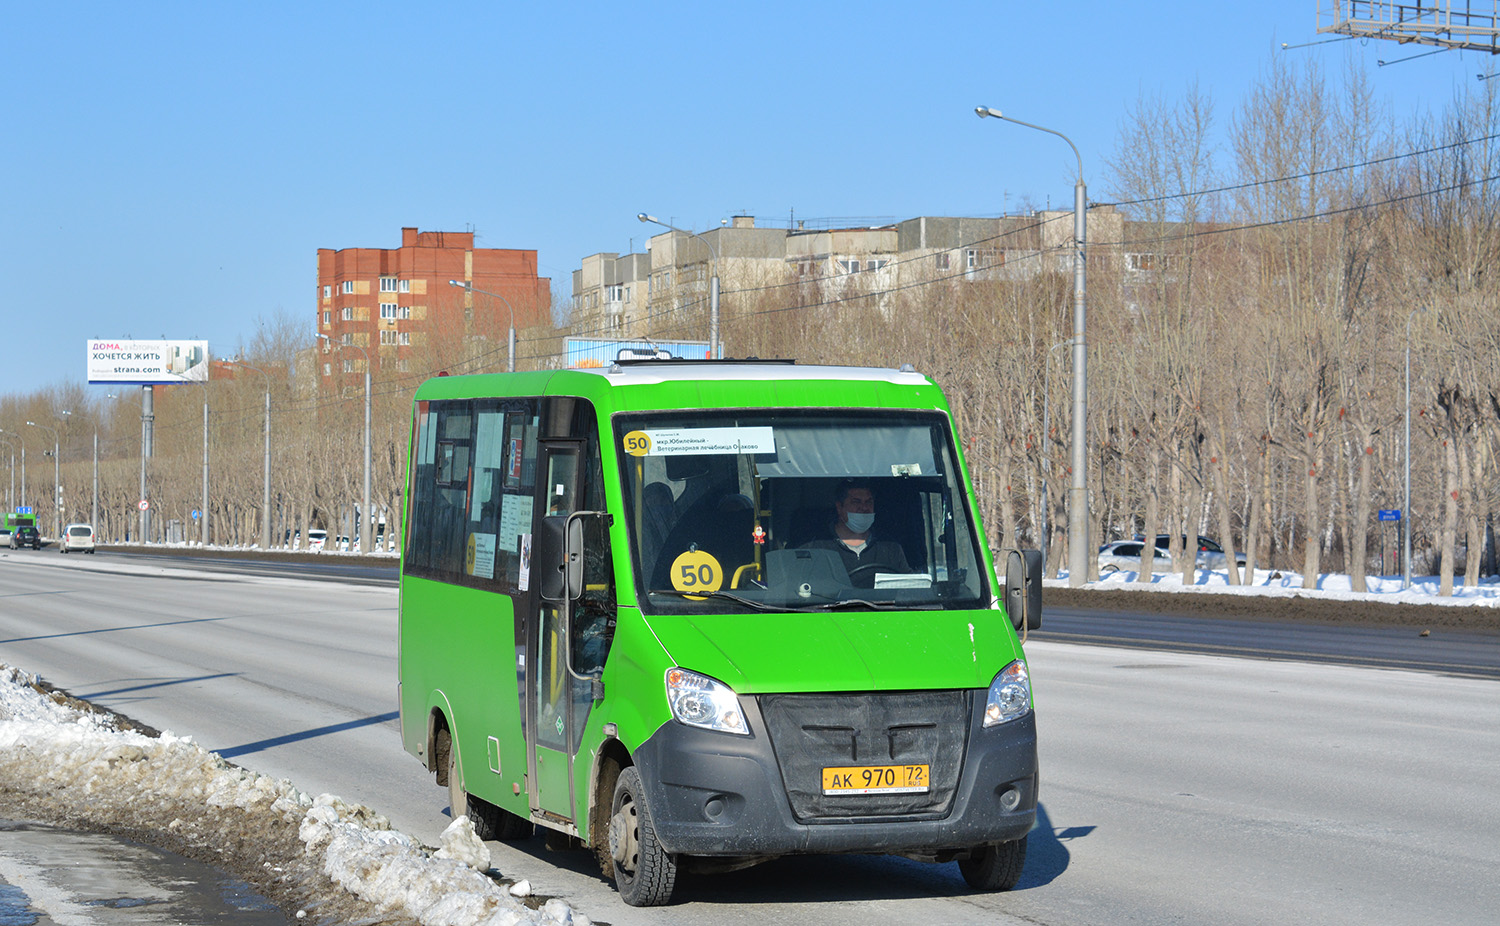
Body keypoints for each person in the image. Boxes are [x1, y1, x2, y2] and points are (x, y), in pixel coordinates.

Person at [802, 480, 911, 587]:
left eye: (869, 502)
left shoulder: (890, 547)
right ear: (839, 507)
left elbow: (910, 586)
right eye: (856, 502)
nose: (864, 507)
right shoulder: (816, 548)